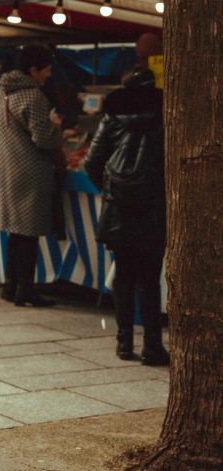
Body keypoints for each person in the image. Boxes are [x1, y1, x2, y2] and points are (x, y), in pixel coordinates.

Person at [84, 66, 169, 366]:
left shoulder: (112, 118)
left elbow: (91, 163)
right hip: (154, 210)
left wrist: (110, 191)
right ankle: (152, 346)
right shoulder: (167, 117)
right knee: (149, 279)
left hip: (119, 209)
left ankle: (123, 343)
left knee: (123, 277)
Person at [0, 44, 64, 307]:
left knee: (15, 232)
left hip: (6, 171)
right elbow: (44, 139)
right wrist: (56, 126)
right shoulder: (34, 97)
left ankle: (11, 286)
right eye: (46, 70)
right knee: (28, 235)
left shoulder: (0, 93)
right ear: (33, 70)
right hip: (31, 174)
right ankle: (26, 291)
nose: (48, 76)